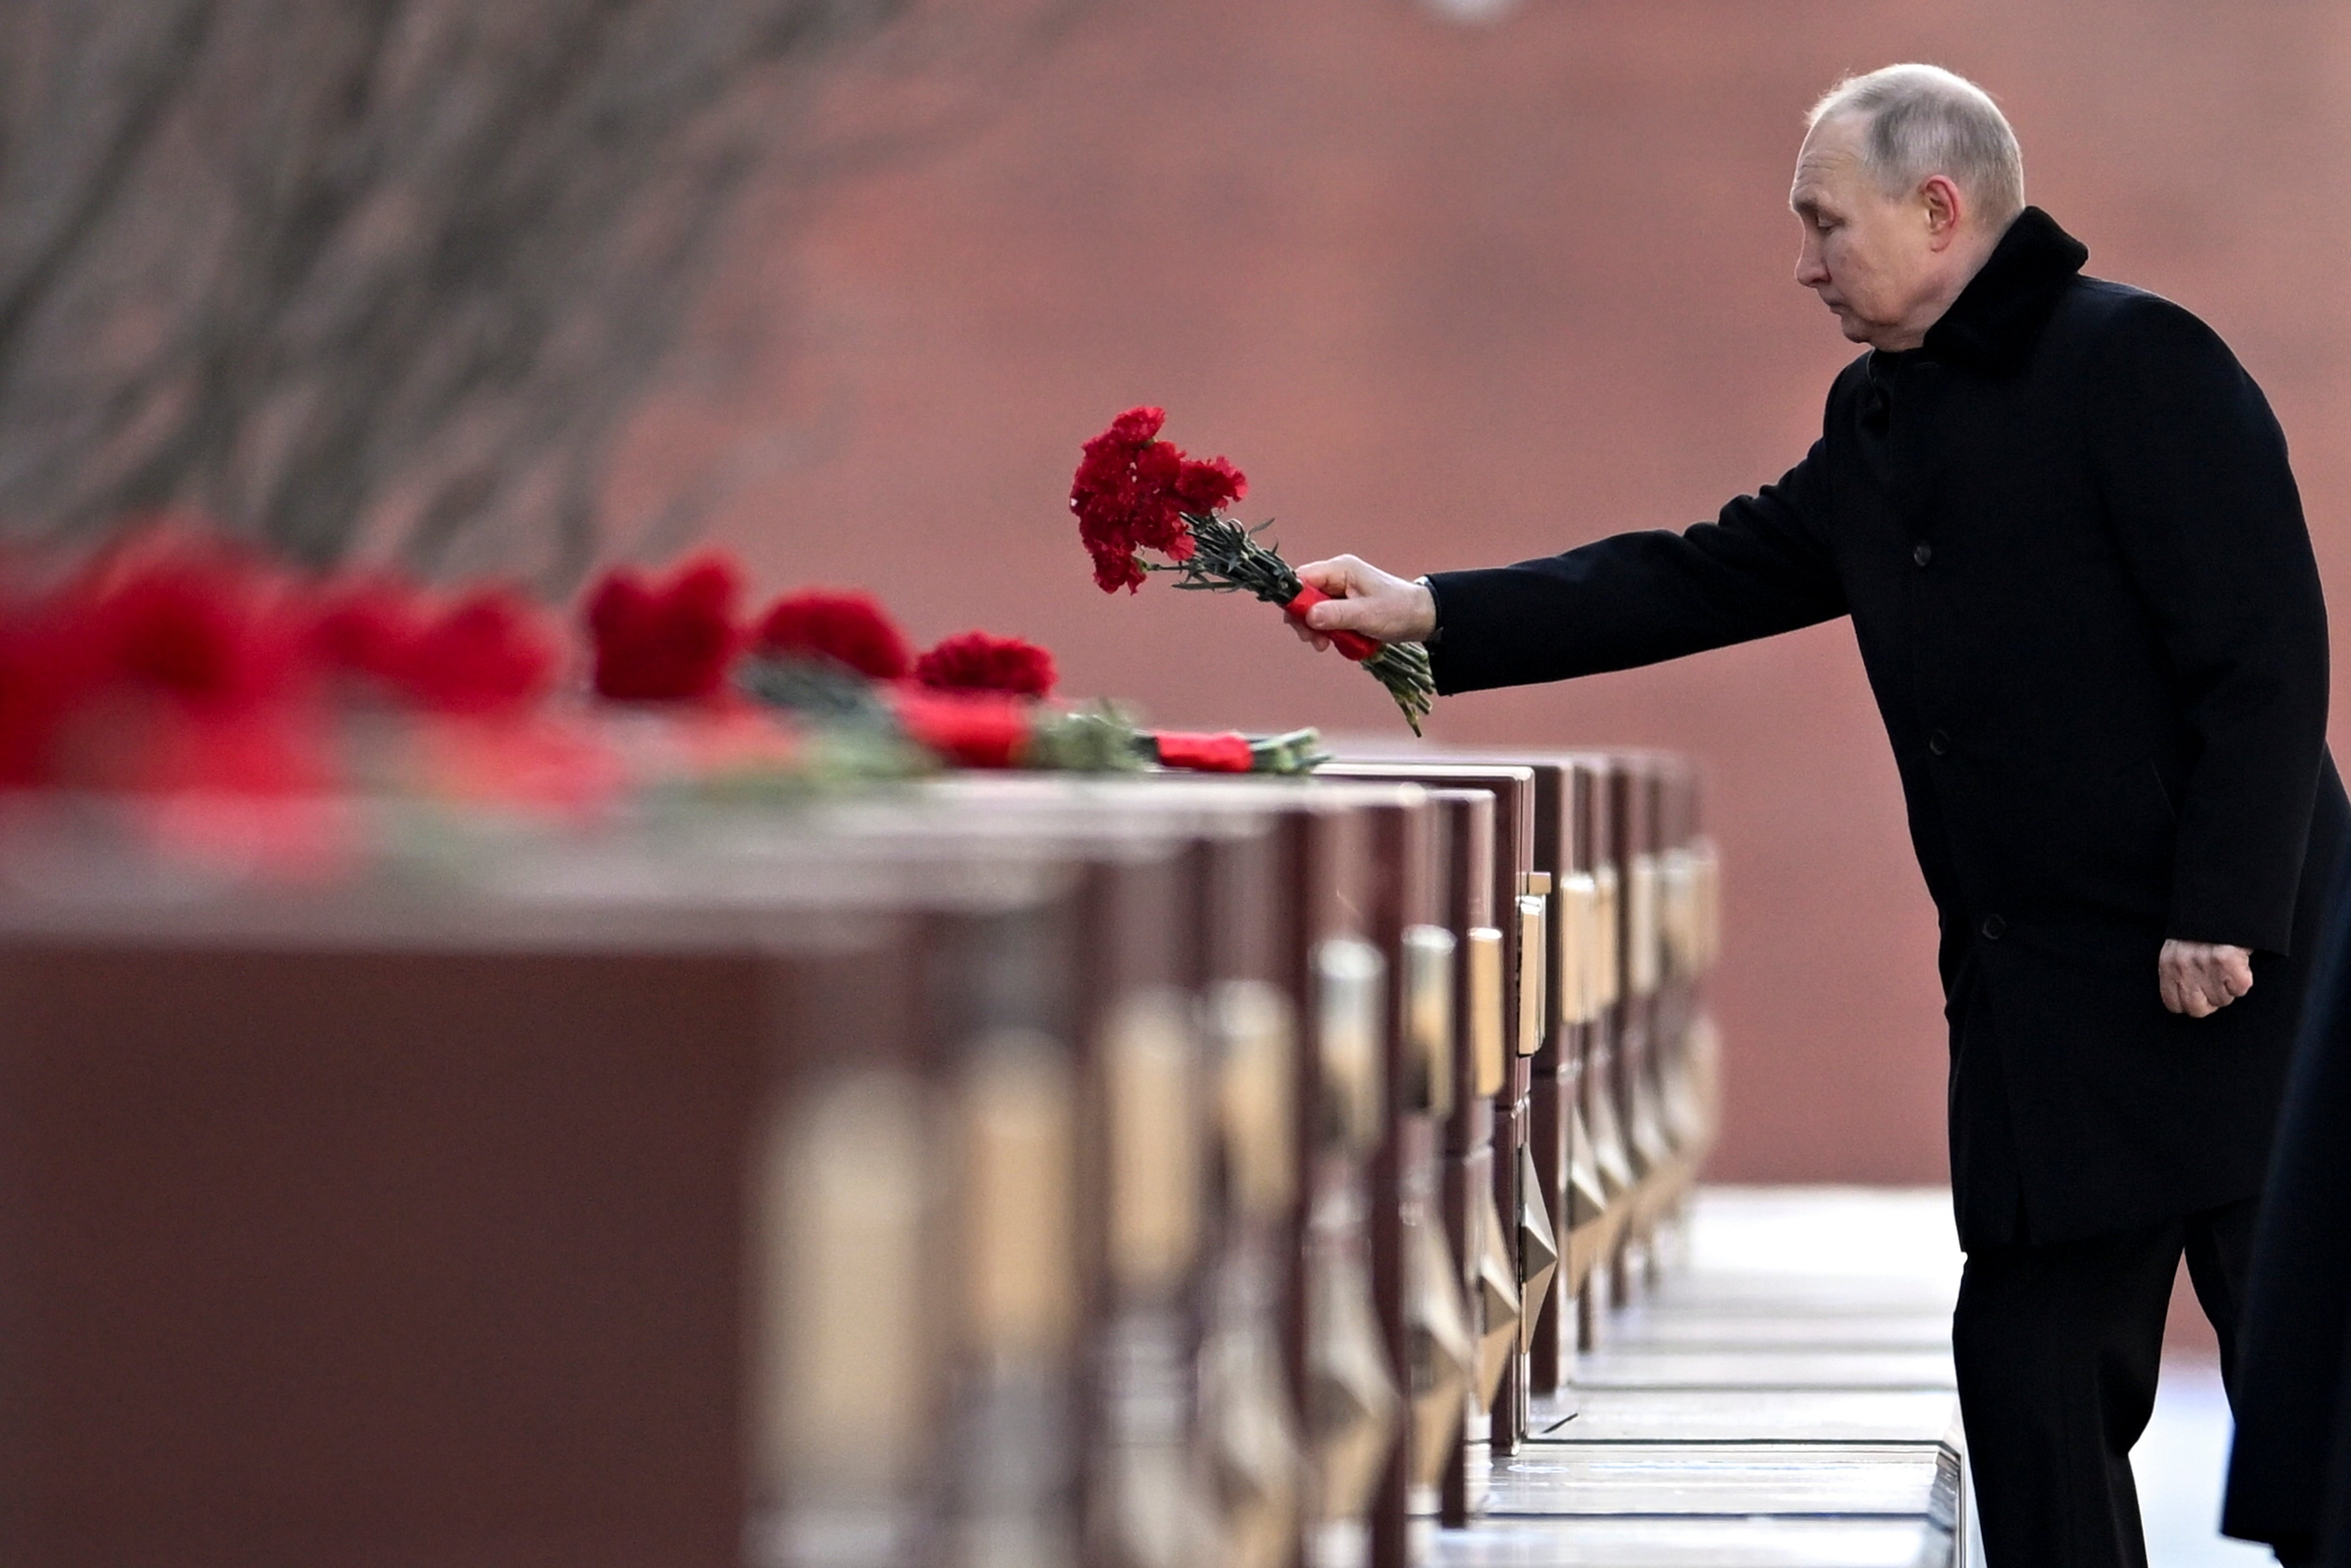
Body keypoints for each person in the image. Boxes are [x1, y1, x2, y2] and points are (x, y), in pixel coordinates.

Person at [1292, 63, 2347, 1568]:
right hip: (2041, 1012)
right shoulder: (1877, 419)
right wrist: (1429, 615)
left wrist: (2224, 909)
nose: (1802, 266)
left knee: (2310, 1394)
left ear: (1938, 210)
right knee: (2032, 1394)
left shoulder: (2140, 362)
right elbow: (1696, 573)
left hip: (2233, 986)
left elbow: (2264, 653)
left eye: (1822, 226)